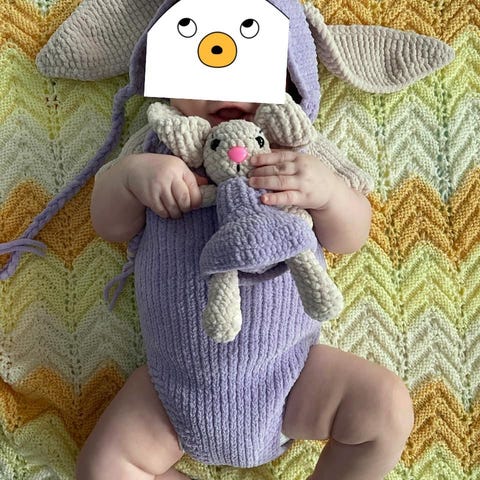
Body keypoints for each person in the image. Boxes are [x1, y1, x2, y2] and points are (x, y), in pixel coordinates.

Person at [76, 85, 414, 480]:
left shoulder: (294, 143)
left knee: (386, 408)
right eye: (202, 71)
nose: (226, 86)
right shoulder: (159, 142)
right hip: (172, 388)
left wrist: (329, 194)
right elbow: (110, 226)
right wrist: (131, 178)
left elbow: (350, 238)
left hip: (292, 377)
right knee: (101, 469)